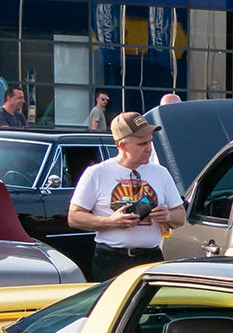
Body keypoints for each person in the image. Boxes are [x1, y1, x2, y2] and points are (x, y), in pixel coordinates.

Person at [68, 112, 185, 281]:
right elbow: (74, 217)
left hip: (150, 258)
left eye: (150, 142)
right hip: (111, 259)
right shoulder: (97, 173)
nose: (149, 149)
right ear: (123, 146)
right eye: (142, 144)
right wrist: (111, 222)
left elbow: (180, 216)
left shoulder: (161, 172)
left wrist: (167, 216)